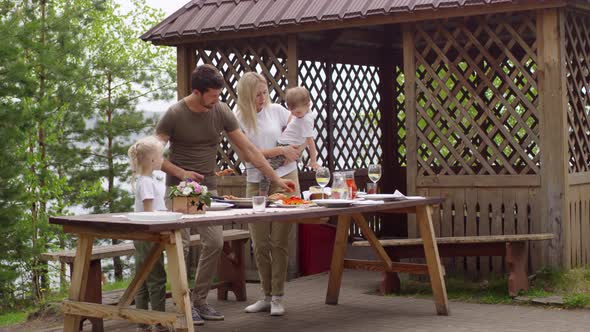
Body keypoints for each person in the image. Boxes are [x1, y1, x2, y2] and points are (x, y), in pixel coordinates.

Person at [155, 64, 295, 326]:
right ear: (197, 92)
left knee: (214, 242)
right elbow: (152, 153)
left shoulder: (220, 111)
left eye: (219, 95)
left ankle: (199, 301)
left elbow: (250, 150)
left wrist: (276, 179)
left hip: (208, 187)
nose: (218, 100)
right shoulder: (175, 114)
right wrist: (180, 172)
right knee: (181, 247)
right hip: (181, 188)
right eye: (213, 95)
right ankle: (182, 306)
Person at [235, 72, 302, 316]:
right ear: (245, 96)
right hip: (255, 182)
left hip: (286, 179)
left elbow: (304, 131)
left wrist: (296, 150)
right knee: (260, 242)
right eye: (257, 95)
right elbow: (247, 154)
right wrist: (278, 150)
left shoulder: (279, 112)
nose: (262, 98)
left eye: (264, 93)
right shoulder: (238, 117)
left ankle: (278, 297)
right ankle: (265, 295)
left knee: (280, 241)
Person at [127, 136, 169, 332]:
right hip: (149, 235)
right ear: (152, 160)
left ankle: (142, 320)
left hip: (140, 235)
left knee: (142, 276)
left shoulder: (146, 180)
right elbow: (149, 212)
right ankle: (159, 321)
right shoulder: (146, 183)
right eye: (161, 157)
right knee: (156, 277)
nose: (162, 160)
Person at [258, 86, 319, 195]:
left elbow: (310, 141)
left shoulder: (306, 120)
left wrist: (313, 160)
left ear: (308, 105)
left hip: (286, 147)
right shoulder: (306, 113)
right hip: (287, 146)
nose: (295, 115)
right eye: (292, 112)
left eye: (298, 113)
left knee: (266, 171)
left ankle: (262, 195)